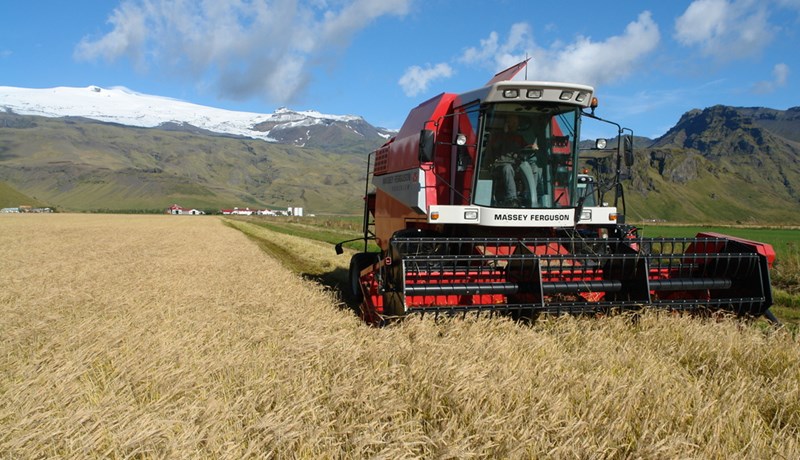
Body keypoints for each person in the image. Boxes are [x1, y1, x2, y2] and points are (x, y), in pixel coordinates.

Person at [486, 114, 541, 207]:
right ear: (507, 123)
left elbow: (525, 147)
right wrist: (505, 133)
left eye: (516, 123)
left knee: (535, 168)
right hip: (500, 165)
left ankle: (529, 195)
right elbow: (495, 147)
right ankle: (512, 199)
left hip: (516, 164)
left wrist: (532, 146)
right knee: (507, 168)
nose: (515, 125)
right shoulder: (496, 136)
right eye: (513, 122)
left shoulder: (518, 137)